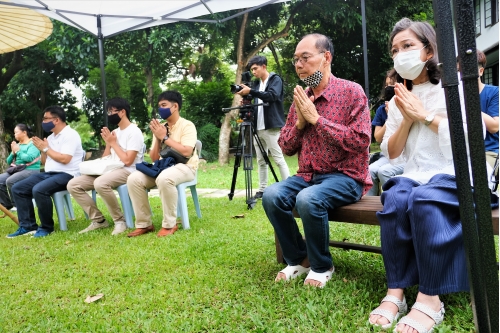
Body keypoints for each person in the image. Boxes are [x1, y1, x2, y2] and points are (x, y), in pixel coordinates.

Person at [367, 18, 496, 332]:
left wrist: (424, 115)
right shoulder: (401, 97)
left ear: (429, 49)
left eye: (408, 46)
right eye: (395, 50)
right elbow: (393, 152)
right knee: (395, 196)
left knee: (424, 199)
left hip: (456, 173)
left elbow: (471, 139)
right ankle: (395, 292)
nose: (400, 55)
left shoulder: (454, 88)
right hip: (415, 173)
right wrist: (408, 118)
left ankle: (430, 298)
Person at [262, 33, 372, 288]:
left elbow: (360, 140)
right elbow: (286, 147)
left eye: (305, 58)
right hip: (308, 176)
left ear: (326, 58)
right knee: (272, 195)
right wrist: (301, 123)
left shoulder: (351, 92)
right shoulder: (300, 99)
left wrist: (318, 120)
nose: (299, 65)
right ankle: (299, 259)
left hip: (346, 177)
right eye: (295, 60)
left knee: (308, 198)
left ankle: (322, 265)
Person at [67, 97, 144, 235]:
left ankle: (120, 221)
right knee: (73, 184)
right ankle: (99, 221)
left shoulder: (134, 131)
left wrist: (113, 143)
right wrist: (109, 143)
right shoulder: (115, 132)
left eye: (112, 111)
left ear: (122, 112)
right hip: (110, 169)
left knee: (100, 183)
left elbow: (128, 161)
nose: (110, 115)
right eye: (108, 112)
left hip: (129, 170)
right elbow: (106, 159)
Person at [126, 90, 199, 238]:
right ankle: (144, 224)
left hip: (185, 167)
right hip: (164, 166)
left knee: (165, 178)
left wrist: (164, 137)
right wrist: (158, 138)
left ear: (175, 106)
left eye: (164, 105)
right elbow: (154, 157)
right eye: (159, 106)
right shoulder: (161, 128)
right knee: (133, 179)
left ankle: (169, 224)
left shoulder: (187, 125)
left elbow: (186, 152)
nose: (161, 109)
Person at [8, 106, 84, 238]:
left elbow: (65, 159)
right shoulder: (51, 137)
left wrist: (46, 149)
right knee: (17, 188)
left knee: (39, 189)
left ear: (56, 120)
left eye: (45, 118)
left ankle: (47, 228)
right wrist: (42, 149)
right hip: (50, 173)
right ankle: (28, 226)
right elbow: (45, 161)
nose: (43, 122)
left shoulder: (70, 135)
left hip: (68, 174)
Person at [236, 55, 290, 199]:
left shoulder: (275, 80)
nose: (253, 72)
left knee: (278, 159)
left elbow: (272, 96)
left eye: (255, 68)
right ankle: (262, 189)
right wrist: (246, 103)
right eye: (251, 69)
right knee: (261, 160)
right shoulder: (256, 84)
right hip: (257, 127)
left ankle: (289, 189)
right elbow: (257, 103)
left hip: (271, 127)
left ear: (264, 66)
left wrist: (251, 92)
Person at [367, 69, 405, 196]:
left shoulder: (407, 104)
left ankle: (394, 203)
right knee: (371, 170)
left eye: (393, 84)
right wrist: (390, 117)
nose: (390, 87)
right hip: (387, 155)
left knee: (384, 171)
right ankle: (371, 208)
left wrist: (396, 114)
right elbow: (377, 137)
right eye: (388, 84)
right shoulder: (382, 110)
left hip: (405, 155)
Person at [0, 124, 41, 211]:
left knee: (10, 181)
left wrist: (18, 151)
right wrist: (13, 152)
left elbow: (29, 158)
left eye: (16, 132)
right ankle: (8, 205)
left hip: (31, 169)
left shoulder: (32, 144)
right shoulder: (18, 145)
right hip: (18, 169)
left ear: (24, 132)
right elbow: (8, 161)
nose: (14, 134)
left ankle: (17, 205)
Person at [476, 49, 498, 169]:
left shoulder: (494, 92)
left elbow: (494, 127)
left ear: (480, 71)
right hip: (461, 152)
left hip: (488, 150)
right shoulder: (453, 95)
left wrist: (468, 104)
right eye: (458, 71)